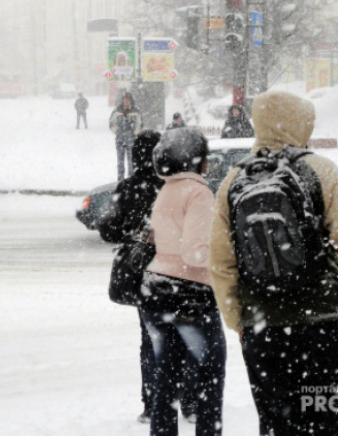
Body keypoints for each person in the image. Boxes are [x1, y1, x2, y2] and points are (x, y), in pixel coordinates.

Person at [210, 91, 338, 436]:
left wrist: (237, 319)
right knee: (331, 422)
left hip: (264, 327)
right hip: (327, 323)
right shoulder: (322, 170)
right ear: (302, 123)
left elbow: (221, 263)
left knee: (277, 424)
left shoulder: (234, 181)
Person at [98, 130, 197, 424]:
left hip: (146, 279)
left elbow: (109, 231)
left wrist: (129, 232)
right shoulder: (179, 186)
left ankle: (153, 402)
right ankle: (190, 401)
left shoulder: (128, 187)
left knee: (151, 339)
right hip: (180, 273)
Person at [140, 127, 226, 436]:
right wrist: (226, 253)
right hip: (189, 292)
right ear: (196, 159)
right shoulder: (199, 192)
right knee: (210, 378)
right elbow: (194, 253)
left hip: (156, 287)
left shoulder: (167, 189)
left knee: (166, 378)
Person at [109, 92, 142, 181]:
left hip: (131, 140)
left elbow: (139, 124)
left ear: (131, 100)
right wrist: (117, 132)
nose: (126, 101)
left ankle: (131, 180)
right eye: (125, 99)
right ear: (122, 100)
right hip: (119, 139)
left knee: (131, 161)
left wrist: (134, 133)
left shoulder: (135, 111)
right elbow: (111, 124)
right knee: (120, 162)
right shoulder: (116, 111)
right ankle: (120, 180)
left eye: (128, 99)